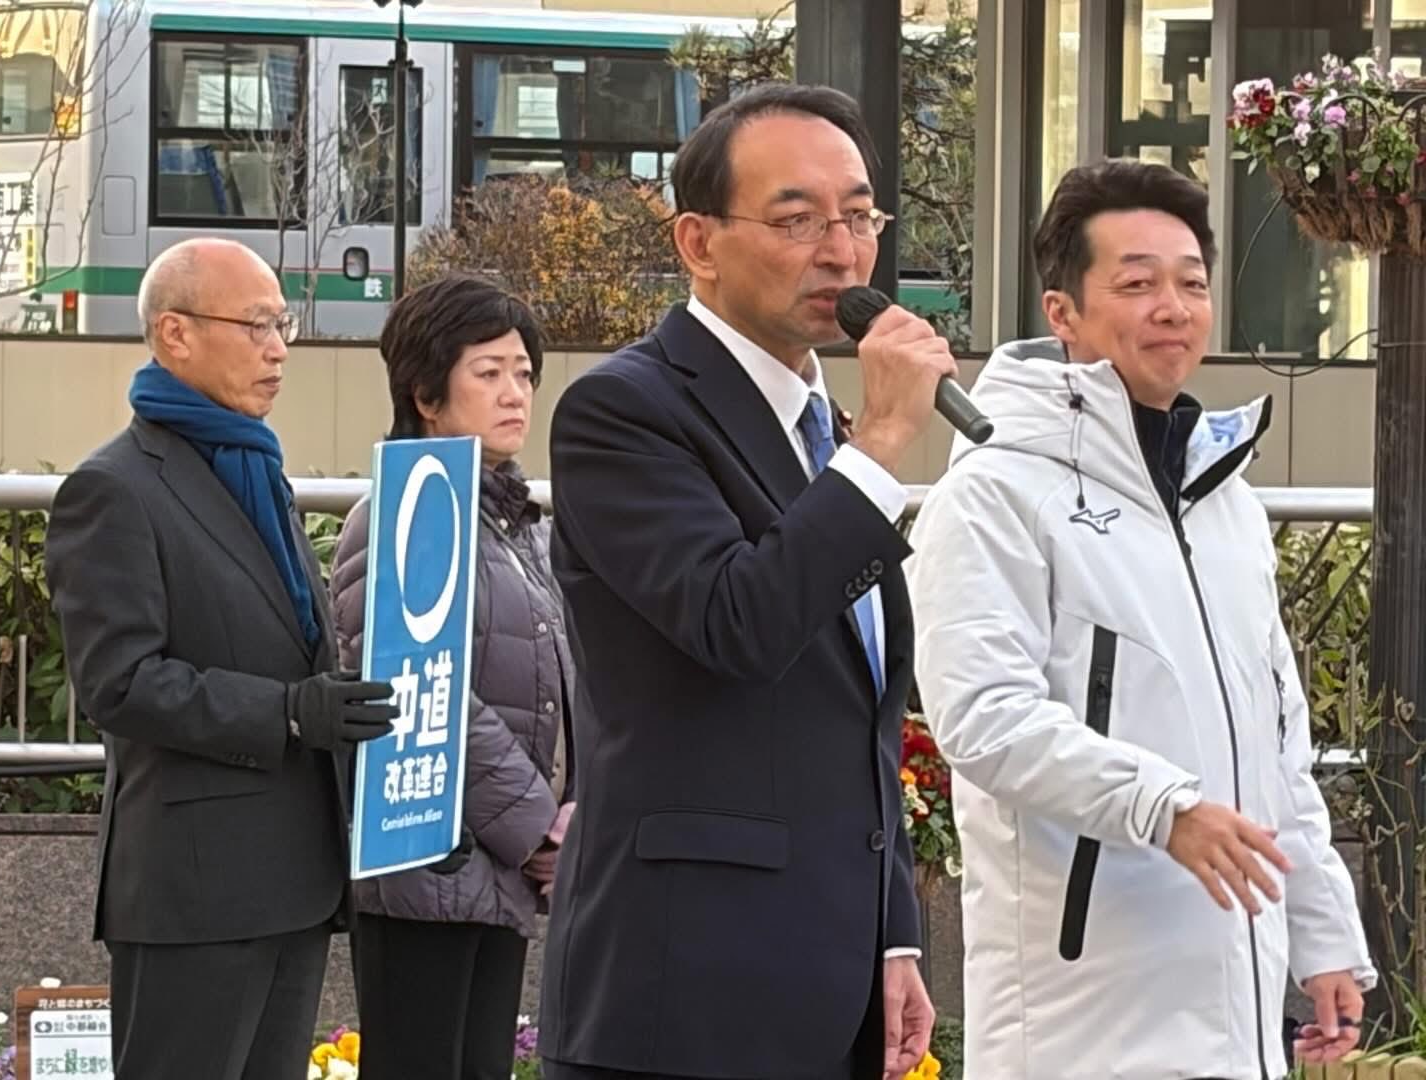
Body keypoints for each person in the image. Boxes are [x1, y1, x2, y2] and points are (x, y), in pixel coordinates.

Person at [906, 159, 1376, 1080]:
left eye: (1191, 283)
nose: (1173, 305)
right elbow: (982, 719)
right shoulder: (996, 492)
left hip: (1234, 1011)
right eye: (1136, 283)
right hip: (1082, 1019)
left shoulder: (1224, 498)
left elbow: (1279, 742)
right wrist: (1163, 807)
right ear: (1063, 312)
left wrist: (1323, 934)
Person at [537, 83, 955, 1080]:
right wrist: (888, 442)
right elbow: (738, 621)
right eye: (797, 218)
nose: (842, 251)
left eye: (858, 216)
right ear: (697, 242)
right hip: (683, 997)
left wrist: (893, 932)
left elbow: (860, 708)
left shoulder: (825, 436)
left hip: (835, 980)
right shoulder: (623, 411)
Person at [43, 237, 397, 1080]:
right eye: (257, 325)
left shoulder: (254, 468)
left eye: (284, 324)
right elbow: (119, 683)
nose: (279, 347)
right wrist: (283, 712)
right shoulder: (114, 488)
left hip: (295, 878)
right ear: (175, 334)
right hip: (194, 895)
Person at [329, 274, 575, 1080]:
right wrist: (539, 824)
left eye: (525, 373)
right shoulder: (408, 511)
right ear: (426, 393)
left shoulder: (512, 523)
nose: (515, 393)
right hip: (423, 869)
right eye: (489, 372)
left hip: (494, 867)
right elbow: (411, 686)